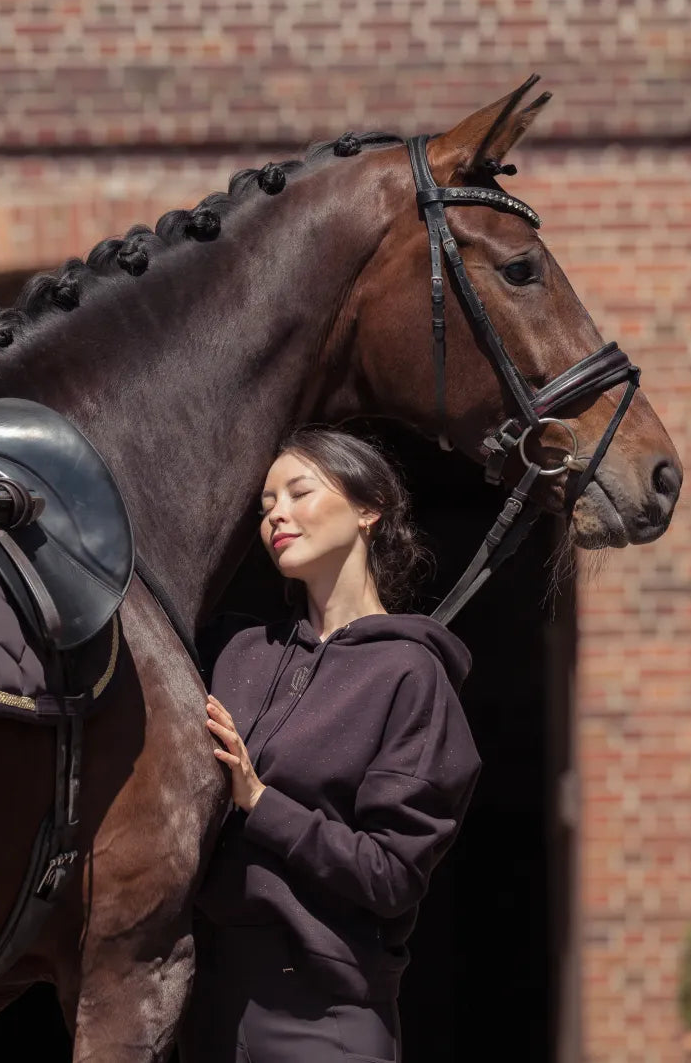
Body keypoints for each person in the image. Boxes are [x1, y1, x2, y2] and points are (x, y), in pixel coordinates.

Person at [184, 426, 481, 1063]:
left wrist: (260, 801)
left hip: (324, 1017)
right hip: (204, 1008)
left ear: (369, 508)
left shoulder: (409, 674)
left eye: (299, 493)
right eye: (266, 505)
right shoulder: (233, 653)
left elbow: (391, 875)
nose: (276, 515)